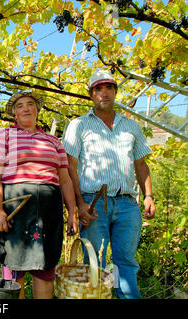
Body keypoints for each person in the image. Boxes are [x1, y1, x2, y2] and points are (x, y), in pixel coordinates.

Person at [62, 70, 156, 299]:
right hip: (93, 202)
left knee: (126, 261)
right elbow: (69, 167)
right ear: (91, 95)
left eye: (108, 88)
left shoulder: (130, 126)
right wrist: (78, 206)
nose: (104, 93)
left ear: (115, 92)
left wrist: (148, 196)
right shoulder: (79, 125)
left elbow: (141, 163)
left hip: (127, 203)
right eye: (98, 89)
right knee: (96, 263)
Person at [0, 91, 77, 299]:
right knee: (14, 263)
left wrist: (72, 211)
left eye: (30, 104)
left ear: (37, 110)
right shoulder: (5, 136)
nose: (26, 108)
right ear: (14, 114)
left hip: (48, 210)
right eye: (20, 106)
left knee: (45, 266)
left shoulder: (54, 141)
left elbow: (65, 180)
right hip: (15, 208)